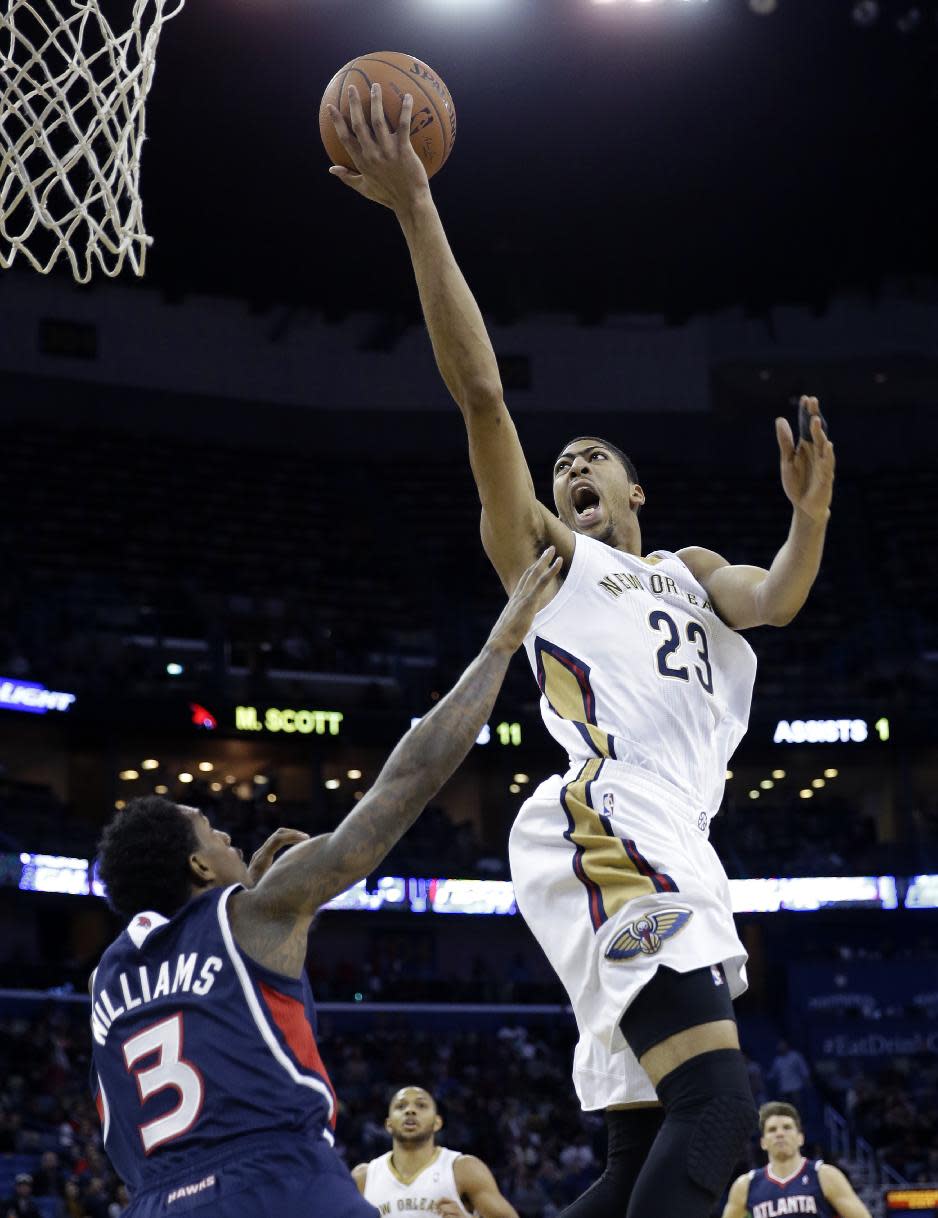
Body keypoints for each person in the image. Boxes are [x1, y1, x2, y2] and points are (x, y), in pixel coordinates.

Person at [327, 85, 836, 1218]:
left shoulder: (690, 571)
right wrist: (416, 206)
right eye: (562, 465)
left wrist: (806, 517)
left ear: (636, 490)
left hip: (677, 842)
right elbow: (482, 400)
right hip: (610, 822)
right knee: (717, 1115)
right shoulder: (551, 564)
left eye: (593, 457)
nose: (572, 469)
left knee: (632, 1155)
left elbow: (776, 601)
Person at [89, 551, 559, 1218]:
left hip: (156, 1200)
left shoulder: (106, 980)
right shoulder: (255, 913)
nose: (228, 838)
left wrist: (243, 900)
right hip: (278, 1179)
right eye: (213, 833)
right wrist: (499, 644)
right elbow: (404, 784)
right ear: (196, 867)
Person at [351, 1086, 518, 1218]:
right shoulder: (363, 1178)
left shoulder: (463, 1169)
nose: (410, 1111)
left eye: (421, 1105)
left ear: (437, 1122)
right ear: (388, 1124)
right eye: (401, 1106)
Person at [722, 1101, 872, 1218]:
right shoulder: (746, 1185)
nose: (780, 1134)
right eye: (772, 1130)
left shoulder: (825, 1175)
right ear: (763, 1142)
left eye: (787, 1127)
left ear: (800, 1138)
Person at [767, 1039, 812, 1111]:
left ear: (786, 1045)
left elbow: (804, 1070)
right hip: (783, 1089)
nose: (780, 1047)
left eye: (782, 1045)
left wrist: (807, 1081)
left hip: (796, 1088)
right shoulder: (777, 1060)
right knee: (786, 1110)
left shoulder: (795, 1056)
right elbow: (773, 1074)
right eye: (779, 1045)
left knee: (798, 1108)